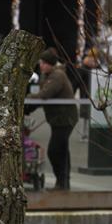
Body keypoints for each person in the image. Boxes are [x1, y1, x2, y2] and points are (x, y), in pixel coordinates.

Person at [28, 49, 78, 190]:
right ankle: (63, 183)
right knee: (62, 150)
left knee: (54, 150)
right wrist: (28, 107)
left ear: (50, 64)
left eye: (44, 63)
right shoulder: (47, 75)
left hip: (65, 118)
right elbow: (41, 96)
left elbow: (44, 95)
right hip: (57, 119)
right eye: (40, 63)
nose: (41, 65)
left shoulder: (57, 76)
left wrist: (27, 99)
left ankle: (62, 181)